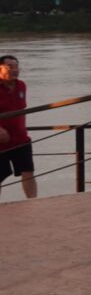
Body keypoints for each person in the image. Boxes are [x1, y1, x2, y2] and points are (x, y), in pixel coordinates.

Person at [0, 55, 37, 199]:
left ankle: (33, 203)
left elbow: (22, 110)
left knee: (28, 172)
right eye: (10, 66)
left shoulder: (21, 85)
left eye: (16, 66)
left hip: (21, 139)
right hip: (1, 143)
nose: (15, 70)